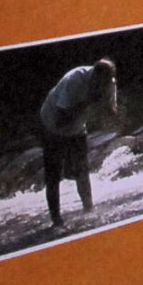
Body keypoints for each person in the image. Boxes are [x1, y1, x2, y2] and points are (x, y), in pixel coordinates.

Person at [38, 58, 121, 227]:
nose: (103, 87)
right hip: (52, 125)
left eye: (106, 83)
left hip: (77, 128)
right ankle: (56, 221)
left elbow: (112, 111)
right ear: (94, 77)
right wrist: (88, 102)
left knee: (82, 169)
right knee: (54, 175)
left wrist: (109, 109)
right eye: (101, 84)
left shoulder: (109, 83)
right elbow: (62, 119)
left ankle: (89, 210)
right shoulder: (74, 80)